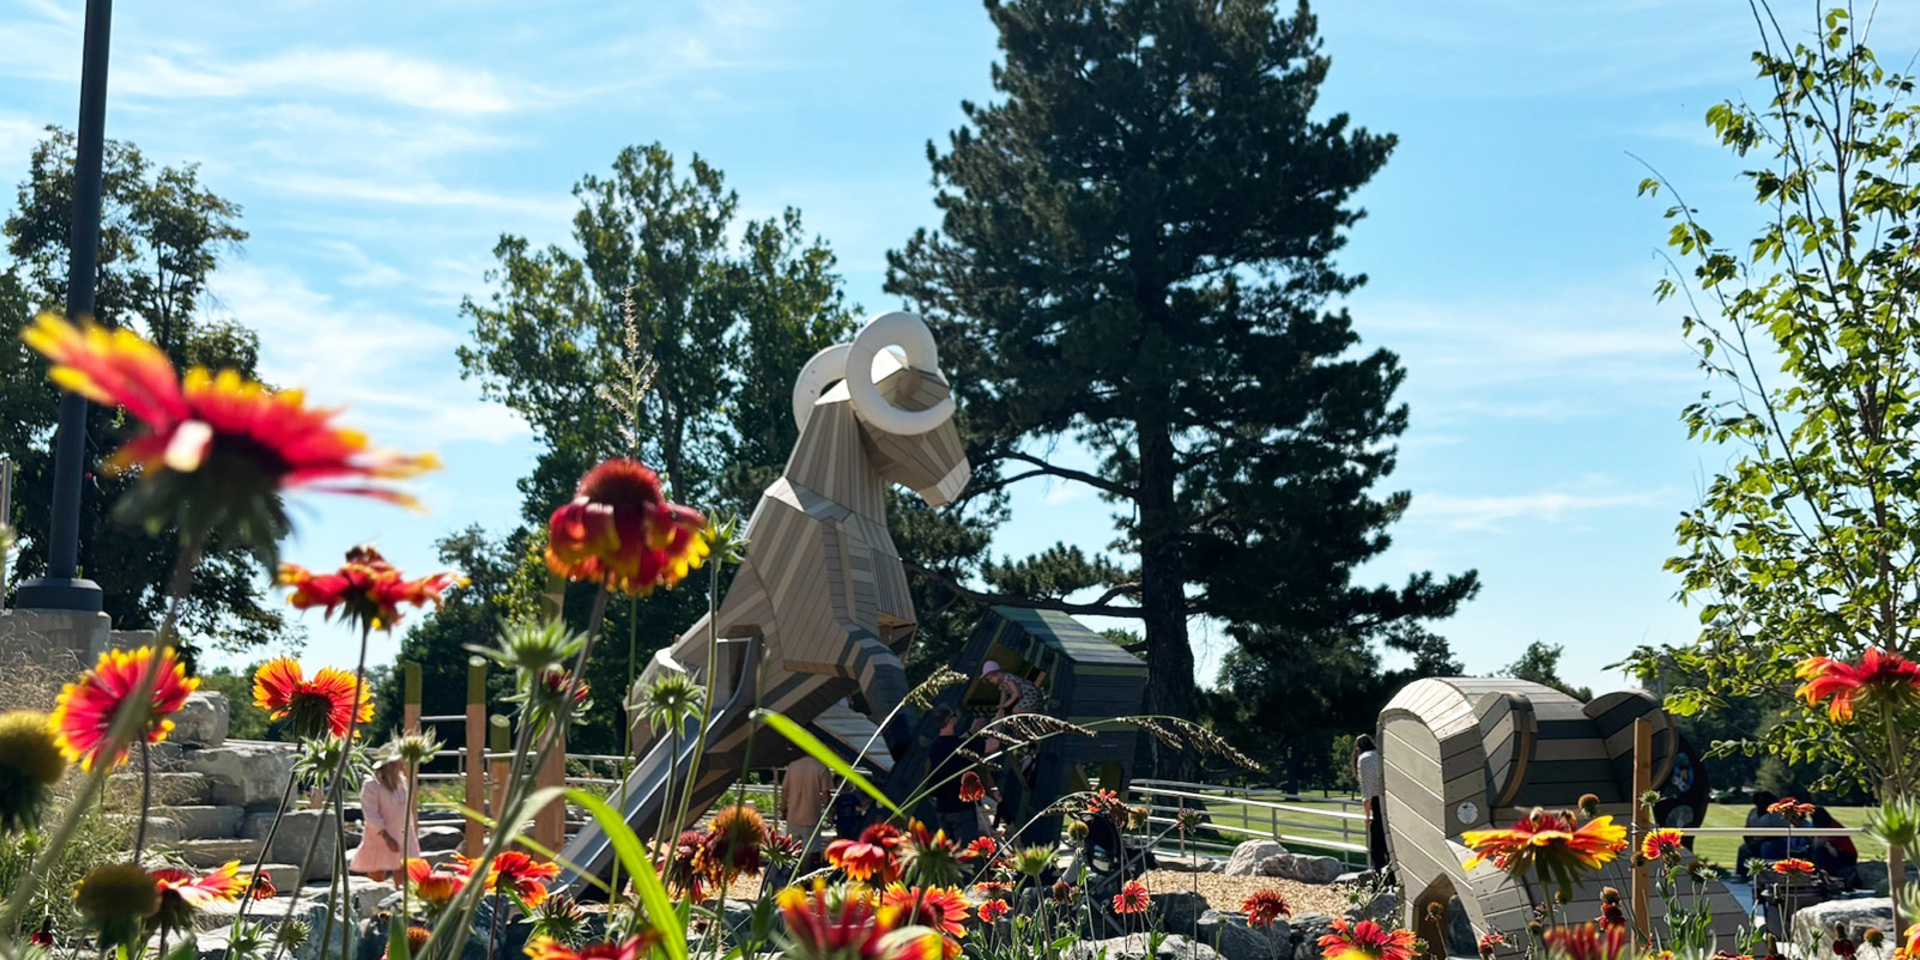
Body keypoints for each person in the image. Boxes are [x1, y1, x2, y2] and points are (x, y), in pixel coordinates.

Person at [351, 752, 419, 887]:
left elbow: (406, 807)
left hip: (402, 831)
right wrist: (387, 837)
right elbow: (370, 813)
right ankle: (376, 899)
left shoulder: (402, 782)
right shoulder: (372, 785)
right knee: (377, 871)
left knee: (404, 868)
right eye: (399, 762)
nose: (403, 765)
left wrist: (411, 827)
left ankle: (400, 898)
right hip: (381, 835)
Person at [926, 708, 983, 845]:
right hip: (961, 807)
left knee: (950, 851)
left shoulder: (934, 746)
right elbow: (993, 745)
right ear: (950, 721)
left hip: (943, 807)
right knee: (966, 850)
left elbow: (955, 745)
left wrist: (971, 731)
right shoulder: (959, 745)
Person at [783, 756, 833, 865]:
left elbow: (784, 791)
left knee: (792, 850)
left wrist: (783, 809)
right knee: (811, 852)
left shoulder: (792, 766)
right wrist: (830, 814)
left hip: (793, 816)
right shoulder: (821, 768)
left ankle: (792, 876)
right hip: (811, 817)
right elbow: (826, 794)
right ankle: (806, 876)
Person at [1353, 734, 1387, 872]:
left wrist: (1367, 816)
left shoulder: (1364, 759)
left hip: (1378, 803)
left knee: (1377, 845)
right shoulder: (1380, 755)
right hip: (1389, 801)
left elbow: (1368, 791)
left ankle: (1378, 875)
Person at [1735, 791, 1785, 880]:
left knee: (1766, 847)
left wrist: (1761, 841)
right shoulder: (1753, 812)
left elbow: (1779, 833)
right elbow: (1747, 828)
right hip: (1754, 841)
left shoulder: (1777, 814)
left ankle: (1764, 876)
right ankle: (1742, 875)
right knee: (1743, 848)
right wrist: (1749, 842)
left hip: (1773, 841)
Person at [1810, 806, 1859, 884]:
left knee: (1819, 852)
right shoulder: (1829, 825)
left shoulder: (1832, 827)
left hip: (1847, 855)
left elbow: (1818, 843)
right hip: (1839, 852)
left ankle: (1830, 875)